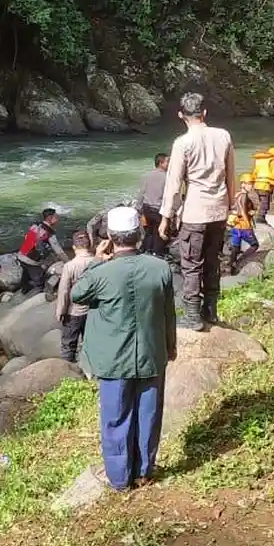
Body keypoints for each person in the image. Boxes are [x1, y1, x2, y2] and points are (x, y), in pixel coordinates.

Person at [71, 207, 177, 491]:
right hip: (151, 353)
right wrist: (170, 347)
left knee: (116, 417)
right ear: (140, 235)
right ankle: (144, 471)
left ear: (109, 237)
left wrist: (95, 260)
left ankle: (119, 478)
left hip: (112, 357)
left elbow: (77, 293)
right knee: (149, 414)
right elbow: (169, 312)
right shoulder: (160, 268)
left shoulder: (101, 272)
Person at [159, 92, 236, 331]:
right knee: (213, 261)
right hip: (218, 210)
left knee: (191, 264)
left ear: (181, 115)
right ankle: (210, 311)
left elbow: (173, 183)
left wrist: (166, 217)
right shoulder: (223, 136)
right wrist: (231, 205)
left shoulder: (182, 143)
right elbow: (231, 174)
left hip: (194, 211)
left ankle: (193, 316)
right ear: (204, 113)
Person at [54, 230, 95, 363]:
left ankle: (68, 371)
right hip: (93, 311)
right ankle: (90, 372)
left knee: (68, 344)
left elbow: (64, 291)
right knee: (90, 343)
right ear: (90, 245)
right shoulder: (97, 262)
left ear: (74, 247)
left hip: (73, 312)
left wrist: (61, 311)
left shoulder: (70, 266)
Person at [18, 208, 69, 294]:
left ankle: (24, 288)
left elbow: (27, 238)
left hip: (21, 255)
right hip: (31, 261)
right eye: (56, 217)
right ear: (49, 218)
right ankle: (38, 294)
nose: (58, 219)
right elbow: (59, 251)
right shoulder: (49, 233)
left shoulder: (35, 225)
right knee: (40, 280)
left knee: (25, 273)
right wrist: (68, 262)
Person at [138, 153, 174, 256]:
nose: (170, 164)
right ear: (161, 163)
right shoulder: (168, 177)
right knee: (159, 233)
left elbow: (141, 193)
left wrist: (138, 209)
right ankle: (157, 253)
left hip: (147, 208)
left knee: (149, 232)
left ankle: (146, 250)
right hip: (159, 209)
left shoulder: (146, 175)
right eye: (168, 161)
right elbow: (170, 196)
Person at [225, 173, 260, 275]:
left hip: (235, 226)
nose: (252, 186)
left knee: (236, 247)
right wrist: (249, 219)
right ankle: (241, 261)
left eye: (252, 184)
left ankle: (232, 265)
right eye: (249, 183)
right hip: (244, 227)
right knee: (254, 245)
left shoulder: (237, 195)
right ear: (243, 184)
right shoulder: (244, 197)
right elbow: (244, 212)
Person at [252, 146, 274, 224]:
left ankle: (258, 217)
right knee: (265, 203)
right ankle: (260, 219)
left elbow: (254, 173)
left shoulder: (259, 160)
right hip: (265, 185)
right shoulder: (272, 161)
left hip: (257, 185)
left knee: (261, 202)